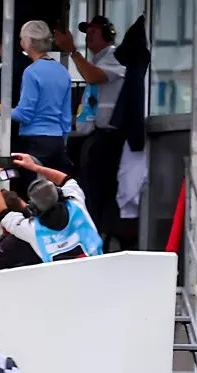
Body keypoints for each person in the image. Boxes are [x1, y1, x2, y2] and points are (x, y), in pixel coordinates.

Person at [55, 15, 128, 240]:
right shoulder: (96, 59)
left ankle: (96, 235)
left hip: (107, 137)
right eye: (87, 32)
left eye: (94, 32)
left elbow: (93, 77)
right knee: (86, 189)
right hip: (90, 136)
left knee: (95, 192)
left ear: (108, 34)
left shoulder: (114, 56)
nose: (89, 36)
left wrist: (72, 51)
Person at [0, 21, 75, 175]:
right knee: (51, 186)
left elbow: (24, 114)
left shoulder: (31, 72)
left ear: (28, 42)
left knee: (5, 174)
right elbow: (66, 117)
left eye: (21, 38)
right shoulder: (62, 71)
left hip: (34, 143)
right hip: (57, 142)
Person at [0, 153, 103, 262]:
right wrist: (35, 167)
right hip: (98, 271)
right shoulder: (76, 203)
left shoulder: (32, 230)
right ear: (59, 194)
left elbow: (3, 214)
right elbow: (66, 180)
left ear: (33, 208)